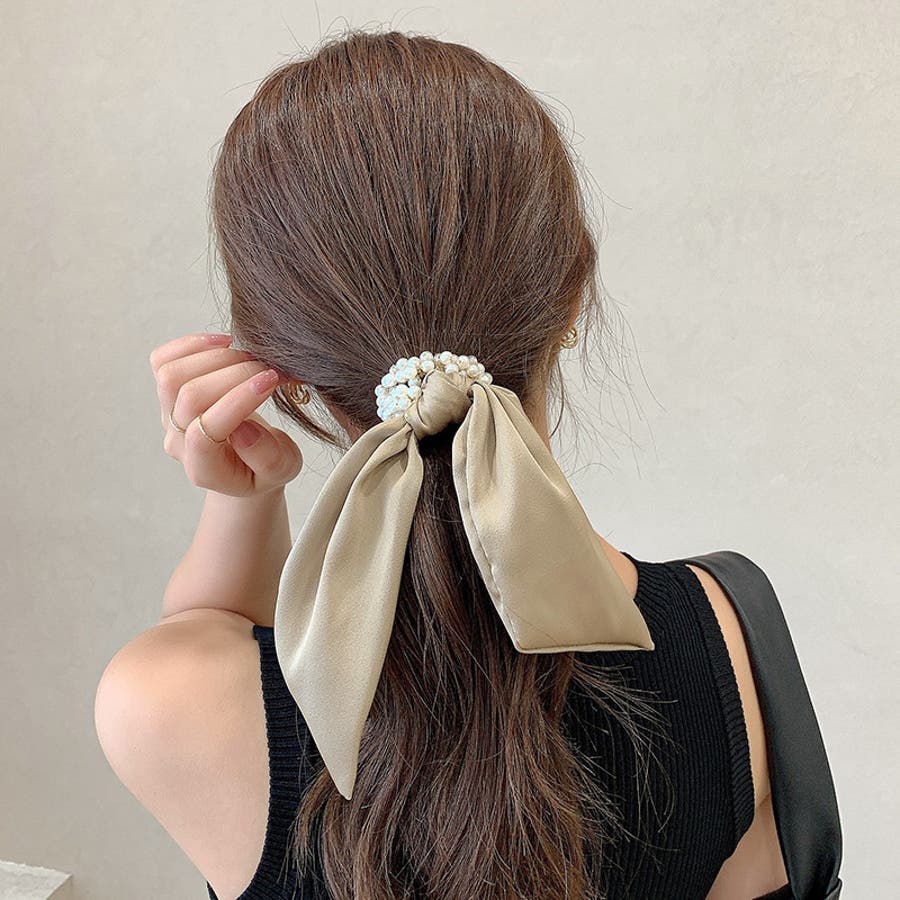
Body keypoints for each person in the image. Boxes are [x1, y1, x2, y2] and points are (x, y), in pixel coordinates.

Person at [94, 28, 794, 900]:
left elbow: (211, 634)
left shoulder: (165, 704)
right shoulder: (727, 639)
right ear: (572, 301)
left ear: (280, 367)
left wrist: (246, 498)